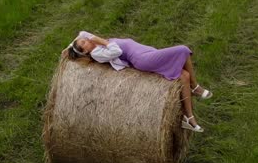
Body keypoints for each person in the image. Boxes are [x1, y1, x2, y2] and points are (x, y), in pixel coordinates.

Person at [66, 31, 211, 132]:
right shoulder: (97, 54)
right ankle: (195, 87)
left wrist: (68, 49)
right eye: (84, 42)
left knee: (184, 75)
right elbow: (116, 51)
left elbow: (82, 33)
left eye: (85, 39)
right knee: (183, 50)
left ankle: (189, 117)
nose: (88, 39)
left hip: (148, 52)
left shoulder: (95, 46)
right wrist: (100, 40)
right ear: (84, 52)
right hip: (142, 60)